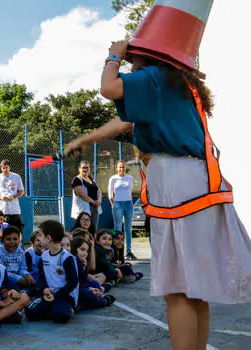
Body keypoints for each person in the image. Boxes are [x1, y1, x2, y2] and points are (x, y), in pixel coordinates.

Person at [64, 38, 251, 349]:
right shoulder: (173, 84)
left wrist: (114, 56)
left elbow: (109, 88)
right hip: (199, 183)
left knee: (176, 286)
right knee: (195, 285)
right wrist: (87, 138)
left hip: (177, 186)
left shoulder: (154, 77)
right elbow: (125, 121)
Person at [25, 220, 79, 324]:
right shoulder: (44, 256)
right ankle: (53, 308)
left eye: (40, 235)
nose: (39, 238)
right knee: (30, 312)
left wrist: (57, 296)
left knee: (60, 316)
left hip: (64, 295)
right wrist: (44, 289)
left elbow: (73, 282)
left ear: (48, 238)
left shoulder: (66, 258)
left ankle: (67, 308)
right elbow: (41, 277)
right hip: (49, 294)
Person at [108, 160, 137, 260]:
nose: (121, 169)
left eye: (123, 167)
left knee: (128, 228)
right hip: (117, 204)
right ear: (116, 168)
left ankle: (128, 251)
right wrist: (114, 205)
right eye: (119, 167)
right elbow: (110, 194)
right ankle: (115, 251)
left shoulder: (130, 178)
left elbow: (130, 190)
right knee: (117, 228)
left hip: (128, 204)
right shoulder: (113, 178)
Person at [0, 159, 25, 231]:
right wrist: (1, 197)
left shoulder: (16, 177)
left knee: (17, 230)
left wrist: (14, 197)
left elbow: (22, 191)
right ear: (1, 168)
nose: (5, 169)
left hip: (14, 210)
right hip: (2, 210)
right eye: (3, 168)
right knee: (3, 232)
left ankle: (19, 242)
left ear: (9, 167)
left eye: (6, 167)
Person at [71, 161, 102, 229]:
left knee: (93, 229)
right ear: (79, 169)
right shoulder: (76, 180)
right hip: (84, 209)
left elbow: (99, 191)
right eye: (83, 167)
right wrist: (93, 202)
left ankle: (92, 239)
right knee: (83, 230)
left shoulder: (92, 179)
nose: (85, 169)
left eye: (87, 167)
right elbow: (81, 194)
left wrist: (99, 201)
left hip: (95, 208)